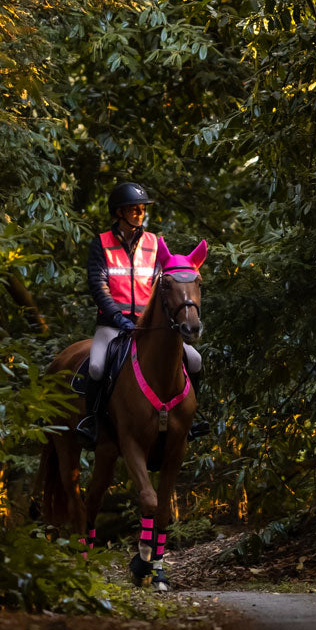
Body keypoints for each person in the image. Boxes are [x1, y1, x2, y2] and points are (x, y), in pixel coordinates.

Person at [76, 181, 207, 448]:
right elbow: (98, 286)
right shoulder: (101, 243)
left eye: (142, 209)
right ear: (119, 212)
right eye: (134, 209)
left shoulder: (154, 244)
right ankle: (91, 422)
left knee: (195, 360)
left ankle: (191, 419)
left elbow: (164, 286)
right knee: (97, 366)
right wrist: (118, 318)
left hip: (148, 326)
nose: (140, 213)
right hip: (113, 325)